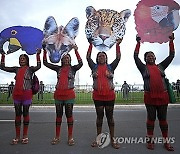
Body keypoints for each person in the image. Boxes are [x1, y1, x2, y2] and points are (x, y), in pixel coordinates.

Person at [134, 33, 175, 151]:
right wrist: (138, 43)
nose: (150, 57)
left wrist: (171, 41)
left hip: (163, 97)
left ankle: (166, 141)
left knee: (163, 120)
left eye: (152, 56)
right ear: (145, 59)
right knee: (151, 119)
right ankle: (150, 141)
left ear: (155, 58)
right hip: (150, 98)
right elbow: (135, 57)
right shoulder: (143, 68)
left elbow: (171, 56)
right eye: (148, 56)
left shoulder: (161, 67)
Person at [43, 44, 83, 146]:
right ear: (62, 60)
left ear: (70, 60)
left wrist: (76, 51)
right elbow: (45, 63)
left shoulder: (73, 69)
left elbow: (81, 63)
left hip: (69, 95)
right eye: (64, 58)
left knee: (69, 115)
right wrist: (44, 51)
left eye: (68, 58)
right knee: (58, 116)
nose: (66, 60)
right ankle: (57, 136)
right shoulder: (58, 69)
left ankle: (70, 137)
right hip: (58, 95)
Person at [0, 49, 41, 145]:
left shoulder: (30, 69)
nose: (22, 60)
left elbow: (39, 66)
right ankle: (17, 136)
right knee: (18, 115)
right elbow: (2, 67)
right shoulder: (16, 69)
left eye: (23, 58)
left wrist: (38, 54)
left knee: (25, 114)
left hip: (27, 95)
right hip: (17, 95)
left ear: (27, 60)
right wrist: (2, 55)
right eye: (20, 59)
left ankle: (25, 136)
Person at [86, 39, 122, 149]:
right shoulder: (94, 67)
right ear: (97, 59)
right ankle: (98, 139)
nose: (102, 58)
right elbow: (88, 57)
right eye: (100, 56)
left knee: (110, 117)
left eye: (103, 56)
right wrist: (90, 45)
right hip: (98, 96)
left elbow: (118, 58)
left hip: (110, 96)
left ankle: (113, 139)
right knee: (99, 117)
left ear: (106, 58)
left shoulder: (111, 67)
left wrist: (117, 45)